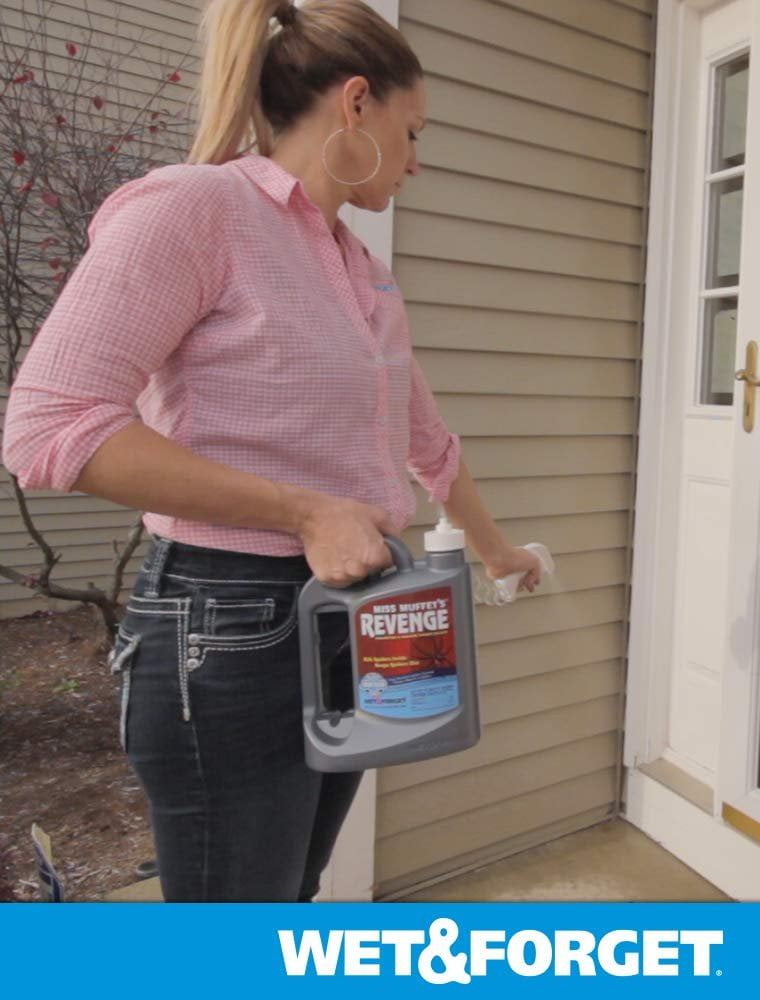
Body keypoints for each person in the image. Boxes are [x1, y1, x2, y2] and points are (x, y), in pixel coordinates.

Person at [1, 0, 541, 902]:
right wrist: (304, 511)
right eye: (413, 132)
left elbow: (426, 444)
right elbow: (47, 426)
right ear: (357, 103)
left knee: (294, 895)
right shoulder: (199, 208)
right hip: (227, 623)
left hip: (354, 611)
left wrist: (497, 553)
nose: (417, 160)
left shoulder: (363, 273)